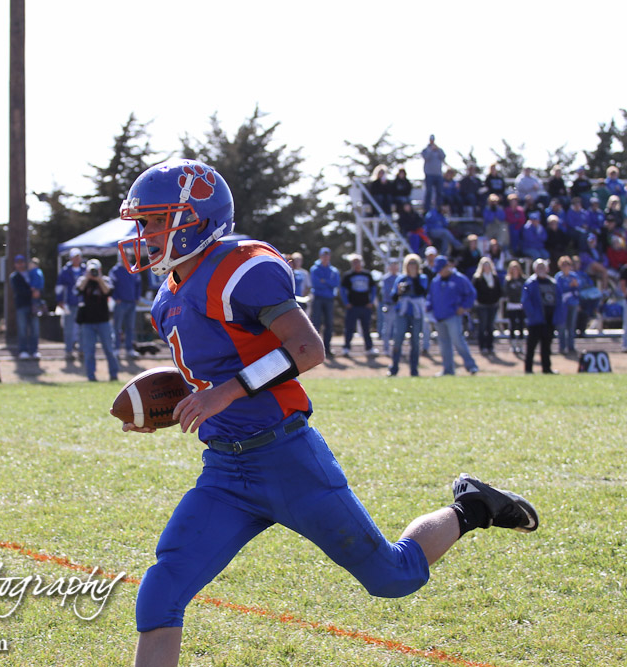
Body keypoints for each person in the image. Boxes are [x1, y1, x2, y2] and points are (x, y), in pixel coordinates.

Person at [112, 159, 539, 667]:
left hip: (287, 458)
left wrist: (224, 393)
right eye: (143, 221)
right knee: (161, 592)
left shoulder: (238, 268)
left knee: (392, 577)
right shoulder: (167, 298)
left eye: (155, 220)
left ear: (196, 220)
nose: (144, 233)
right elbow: (209, 371)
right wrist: (162, 405)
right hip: (225, 469)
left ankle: (473, 508)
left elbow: (307, 349)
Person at [427, 255, 479, 376]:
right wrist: (428, 307)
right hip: (438, 317)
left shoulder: (459, 279)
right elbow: (430, 297)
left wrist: (464, 307)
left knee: (458, 341)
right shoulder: (435, 281)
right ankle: (448, 370)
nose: (439, 272)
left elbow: (471, 293)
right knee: (444, 345)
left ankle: (471, 366)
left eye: (441, 269)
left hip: (453, 316)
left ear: (447, 266)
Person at [76, 258, 119, 382]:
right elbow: (79, 289)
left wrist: (99, 279)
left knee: (109, 349)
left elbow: (108, 291)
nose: (93, 272)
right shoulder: (83, 280)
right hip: (87, 322)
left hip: (103, 321)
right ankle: (91, 376)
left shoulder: (105, 280)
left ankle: (113, 375)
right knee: (89, 351)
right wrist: (87, 277)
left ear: (100, 269)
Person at [388, 254, 428, 377]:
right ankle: (394, 368)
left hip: (416, 313)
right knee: (398, 339)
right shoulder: (401, 278)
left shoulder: (422, 277)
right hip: (402, 312)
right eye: (410, 263)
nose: (412, 266)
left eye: (414, 263)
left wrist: (414, 278)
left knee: (415, 341)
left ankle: (414, 369)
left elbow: (422, 291)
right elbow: (393, 297)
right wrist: (400, 291)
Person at [521, 259, 563, 374]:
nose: (541, 269)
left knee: (547, 346)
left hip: (549, 319)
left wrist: (557, 316)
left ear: (547, 269)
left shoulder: (553, 283)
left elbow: (559, 300)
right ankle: (528, 369)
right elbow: (525, 301)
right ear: (534, 269)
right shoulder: (530, 283)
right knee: (531, 346)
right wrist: (532, 315)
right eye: (539, 267)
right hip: (536, 320)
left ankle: (546, 368)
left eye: (543, 267)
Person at [340, 254, 376, 357]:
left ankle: (369, 348)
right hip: (353, 307)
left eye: (358, 262)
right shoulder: (348, 275)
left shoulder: (367, 274)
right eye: (354, 262)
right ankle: (346, 348)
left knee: (366, 328)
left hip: (365, 306)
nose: (356, 264)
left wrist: (371, 302)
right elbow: (342, 290)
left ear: (361, 263)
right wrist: (346, 303)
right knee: (349, 328)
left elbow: (373, 289)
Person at [309, 247, 341, 358]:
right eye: (323, 255)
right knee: (316, 323)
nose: (325, 257)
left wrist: (324, 281)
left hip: (329, 299)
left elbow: (335, 283)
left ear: (329, 256)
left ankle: (327, 348)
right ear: (320, 256)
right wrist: (328, 283)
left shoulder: (334, 270)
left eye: (327, 255)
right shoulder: (315, 269)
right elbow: (316, 284)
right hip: (318, 298)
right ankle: (315, 349)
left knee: (329, 324)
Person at [110, 257, 142, 359]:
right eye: (124, 255)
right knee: (117, 327)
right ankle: (116, 349)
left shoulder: (134, 269)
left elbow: (138, 284)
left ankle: (129, 349)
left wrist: (137, 297)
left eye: (128, 255)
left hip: (131, 302)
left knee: (130, 327)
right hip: (120, 303)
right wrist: (116, 298)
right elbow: (111, 286)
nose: (126, 257)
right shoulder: (115, 270)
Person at [57, 248, 86, 361]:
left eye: (78, 257)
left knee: (82, 329)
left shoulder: (85, 270)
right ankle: (68, 351)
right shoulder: (65, 271)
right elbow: (60, 287)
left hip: (82, 304)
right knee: (68, 329)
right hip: (69, 303)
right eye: (74, 257)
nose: (76, 259)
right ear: (70, 258)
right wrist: (60, 300)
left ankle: (82, 350)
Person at [472, 257, 502, 355]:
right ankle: (482, 346)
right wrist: (478, 301)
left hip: (493, 305)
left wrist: (496, 299)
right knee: (483, 326)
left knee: (490, 326)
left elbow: (499, 290)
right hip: (482, 305)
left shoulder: (494, 277)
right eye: (484, 265)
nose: (486, 267)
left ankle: (490, 346)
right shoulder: (477, 278)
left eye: (488, 265)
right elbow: (474, 291)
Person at [554, 256, 580, 355]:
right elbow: (558, 290)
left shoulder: (574, 276)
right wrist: (569, 286)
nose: (565, 267)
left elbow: (578, 288)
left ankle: (571, 346)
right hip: (562, 305)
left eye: (567, 264)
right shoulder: (558, 277)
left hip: (573, 303)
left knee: (571, 326)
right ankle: (562, 346)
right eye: (563, 265)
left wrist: (574, 286)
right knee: (561, 325)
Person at [378, 258, 400, 356]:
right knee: (387, 328)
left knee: (398, 329)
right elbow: (388, 292)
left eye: (395, 265)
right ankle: (386, 348)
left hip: (399, 306)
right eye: (392, 265)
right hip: (389, 305)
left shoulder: (401, 277)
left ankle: (397, 348)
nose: (394, 267)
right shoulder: (385, 278)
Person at [503, 261, 526, 353]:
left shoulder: (523, 280)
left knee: (521, 325)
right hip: (511, 304)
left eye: (516, 268)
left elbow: (525, 291)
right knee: (512, 325)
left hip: (521, 305)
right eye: (513, 269)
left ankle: (520, 344)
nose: (515, 270)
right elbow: (506, 292)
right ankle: (512, 344)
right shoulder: (508, 280)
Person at [421, 135, 446, 212]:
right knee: (429, 191)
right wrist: (431, 150)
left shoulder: (439, 149)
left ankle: (439, 209)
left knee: (439, 192)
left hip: (438, 174)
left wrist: (438, 149)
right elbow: (426, 157)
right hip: (429, 174)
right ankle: (427, 209)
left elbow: (443, 156)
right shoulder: (425, 150)